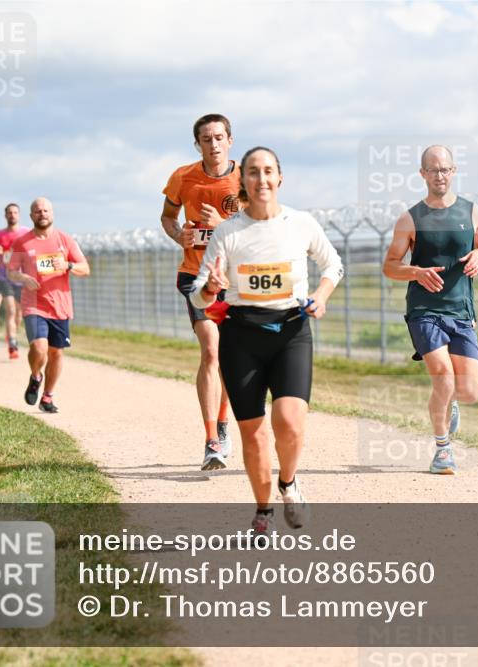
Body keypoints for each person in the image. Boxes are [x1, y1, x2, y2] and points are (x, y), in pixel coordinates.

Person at [191, 146, 343, 536]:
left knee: (290, 421)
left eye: (268, 171)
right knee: (254, 433)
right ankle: (263, 511)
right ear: (243, 181)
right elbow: (198, 294)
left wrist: (321, 297)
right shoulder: (229, 231)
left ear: (280, 178)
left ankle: (289, 484)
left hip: (291, 331)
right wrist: (210, 287)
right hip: (241, 336)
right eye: (253, 172)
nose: (261, 179)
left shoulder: (301, 223)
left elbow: (332, 265)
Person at [382, 145, 478, 474]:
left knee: (468, 391)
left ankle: (451, 403)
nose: (439, 175)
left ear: (453, 171)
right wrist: (416, 272)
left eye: (444, 169)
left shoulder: (472, 212)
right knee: (443, 377)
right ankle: (442, 450)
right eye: (433, 170)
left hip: (461, 310)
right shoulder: (410, 218)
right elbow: (390, 266)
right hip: (424, 309)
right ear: (422, 174)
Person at [160, 113, 238, 470]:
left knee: (228, 357)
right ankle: (210, 440)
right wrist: (181, 236)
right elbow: (167, 217)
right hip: (196, 274)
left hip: (236, 280)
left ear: (230, 141)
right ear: (198, 144)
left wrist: (223, 226)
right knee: (211, 350)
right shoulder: (183, 177)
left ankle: (224, 424)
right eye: (206, 139)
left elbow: (261, 227)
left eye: (219, 137)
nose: (214, 144)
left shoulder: (246, 177)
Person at [8, 198, 89, 413]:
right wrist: (24, 278)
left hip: (60, 305)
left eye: (45, 210)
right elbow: (11, 271)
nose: (42, 214)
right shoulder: (22, 242)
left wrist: (68, 265)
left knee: (56, 354)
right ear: (31, 215)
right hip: (34, 303)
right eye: (37, 211)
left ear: (52, 213)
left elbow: (85, 268)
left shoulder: (65, 240)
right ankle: (36, 376)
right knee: (39, 347)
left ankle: (47, 396)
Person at [0, 202, 28, 359]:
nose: (12, 215)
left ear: (19, 215)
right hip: (5, 277)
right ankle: (12, 344)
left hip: (22, 278)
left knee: (19, 314)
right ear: (5, 215)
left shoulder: (26, 233)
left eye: (15, 212)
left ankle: (11, 334)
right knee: (11, 310)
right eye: (10, 213)